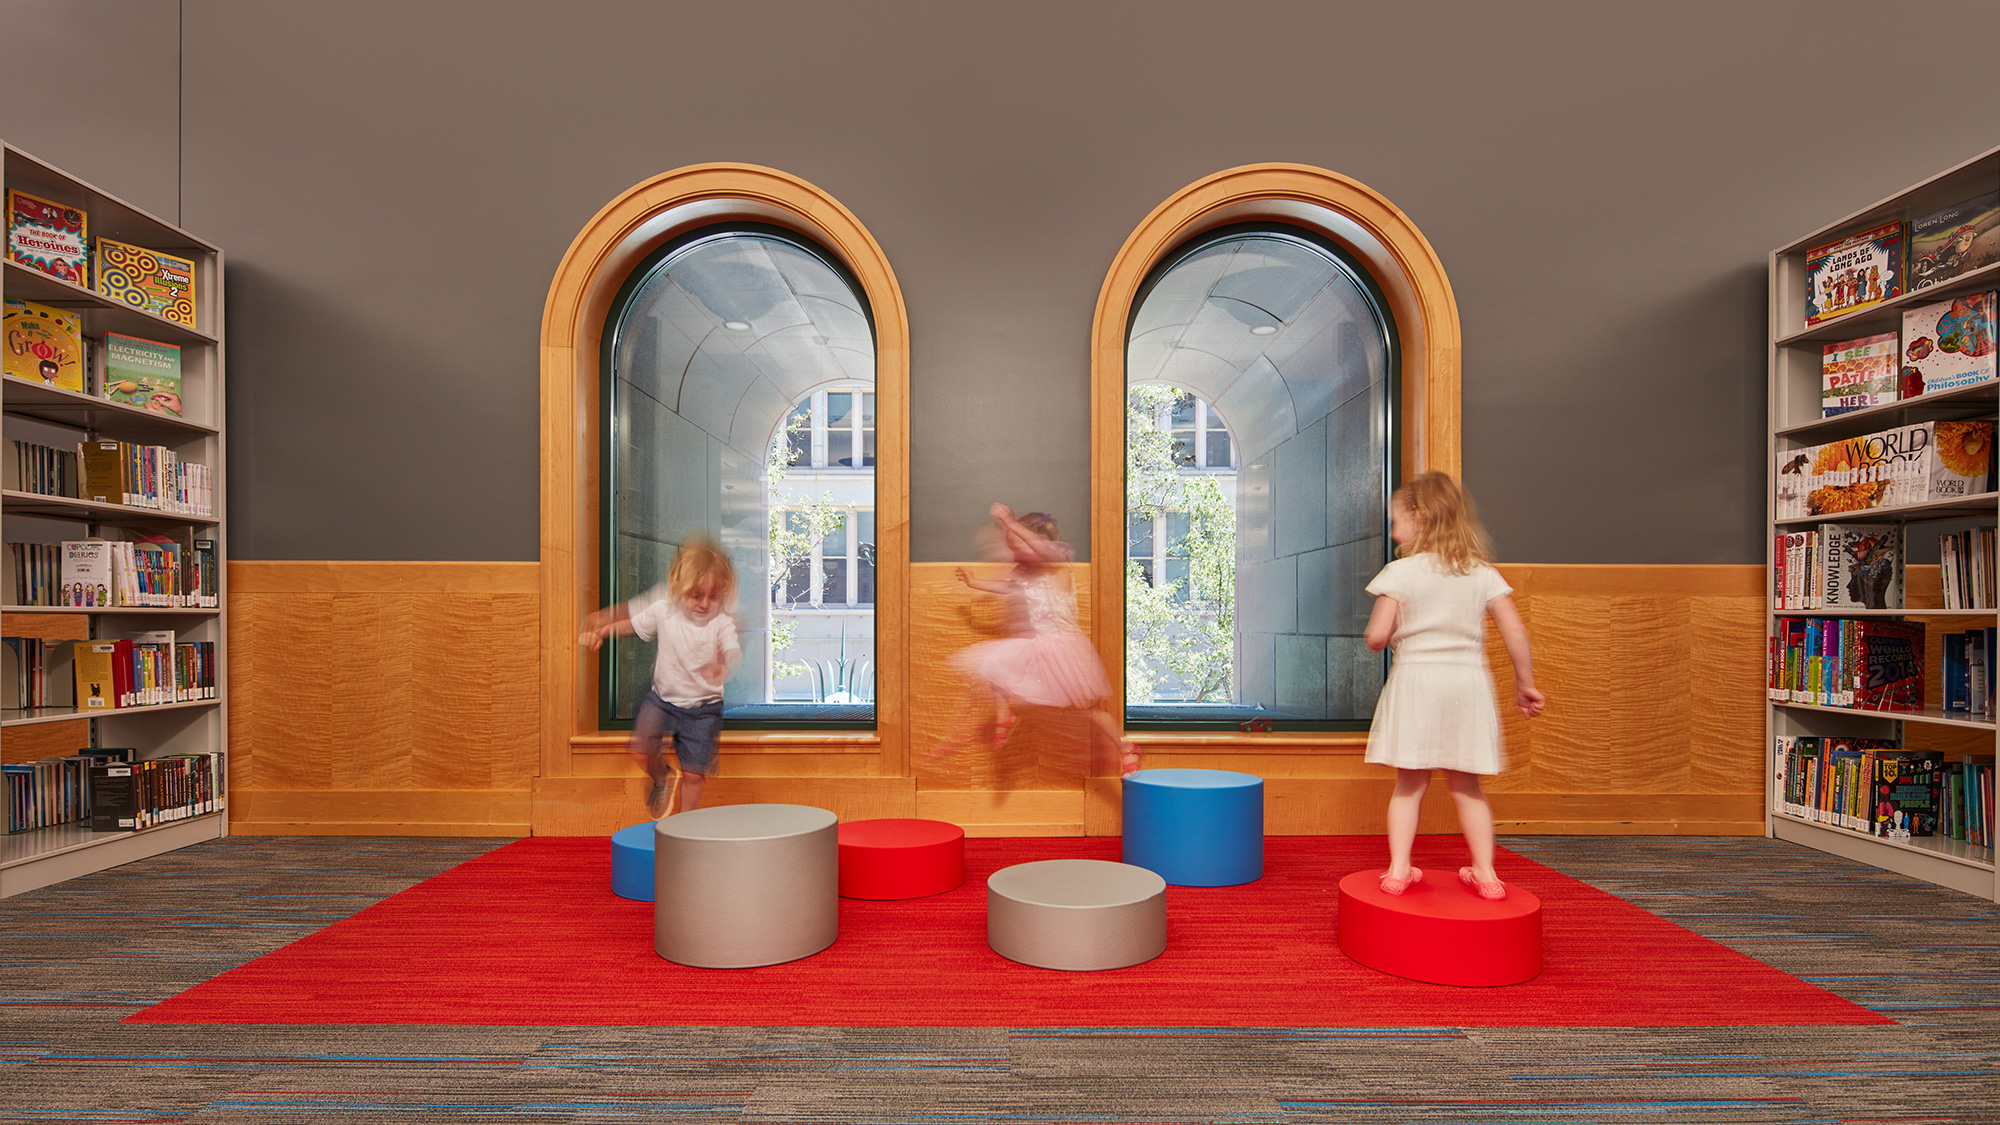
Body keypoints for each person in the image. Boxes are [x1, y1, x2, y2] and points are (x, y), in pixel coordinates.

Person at [1363, 472, 1544, 901]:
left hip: (1417, 682)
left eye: (1395, 521)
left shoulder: (1400, 572)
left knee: (1410, 785)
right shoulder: (1481, 573)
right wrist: (1526, 684)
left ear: (1419, 519)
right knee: (1467, 786)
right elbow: (1515, 632)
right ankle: (1486, 875)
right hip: (1467, 683)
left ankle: (1398, 870)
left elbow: (1376, 636)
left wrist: (1383, 635)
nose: (1392, 531)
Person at [941, 503, 1139, 774]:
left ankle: (1125, 747)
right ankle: (1004, 713)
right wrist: (974, 583)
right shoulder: (1026, 576)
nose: (1014, 552)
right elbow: (1005, 587)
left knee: (1087, 709)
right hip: (1038, 646)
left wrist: (1009, 522)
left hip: (1065, 645)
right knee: (991, 662)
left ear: (1040, 542)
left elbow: (1043, 551)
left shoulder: (1057, 564)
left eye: (1018, 544)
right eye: (1011, 547)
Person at [579, 538, 741, 817]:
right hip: (662, 700)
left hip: (703, 709)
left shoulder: (721, 623)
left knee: (693, 773)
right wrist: (601, 632)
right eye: (696, 595)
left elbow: (732, 651)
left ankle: (684, 821)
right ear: (679, 590)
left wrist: (724, 667)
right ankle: (661, 776)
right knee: (641, 750)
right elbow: (631, 625)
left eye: (713, 597)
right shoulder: (664, 610)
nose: (705, 604)